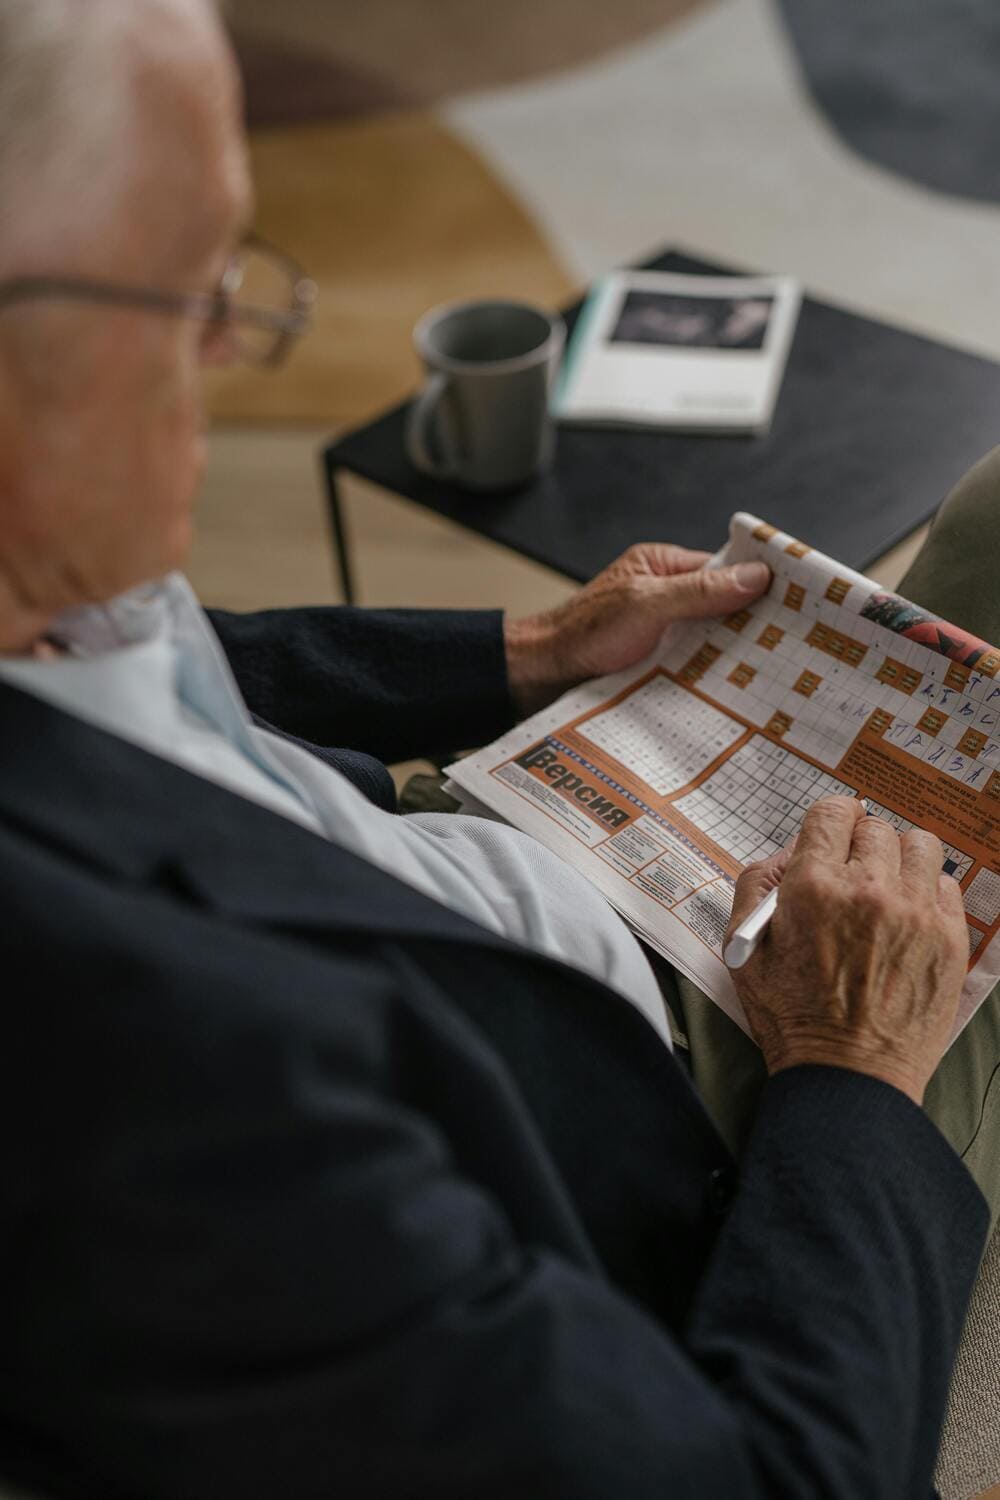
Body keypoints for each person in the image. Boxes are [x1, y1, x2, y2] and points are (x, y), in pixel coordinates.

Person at [0, 1, 996, 1495]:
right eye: (195, 286)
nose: (236, 349)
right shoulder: (156, 1083)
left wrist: (517, 655)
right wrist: (848, 1065)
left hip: (475, 846)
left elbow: (172, 660)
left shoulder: (46, 585)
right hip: (696, 1132)